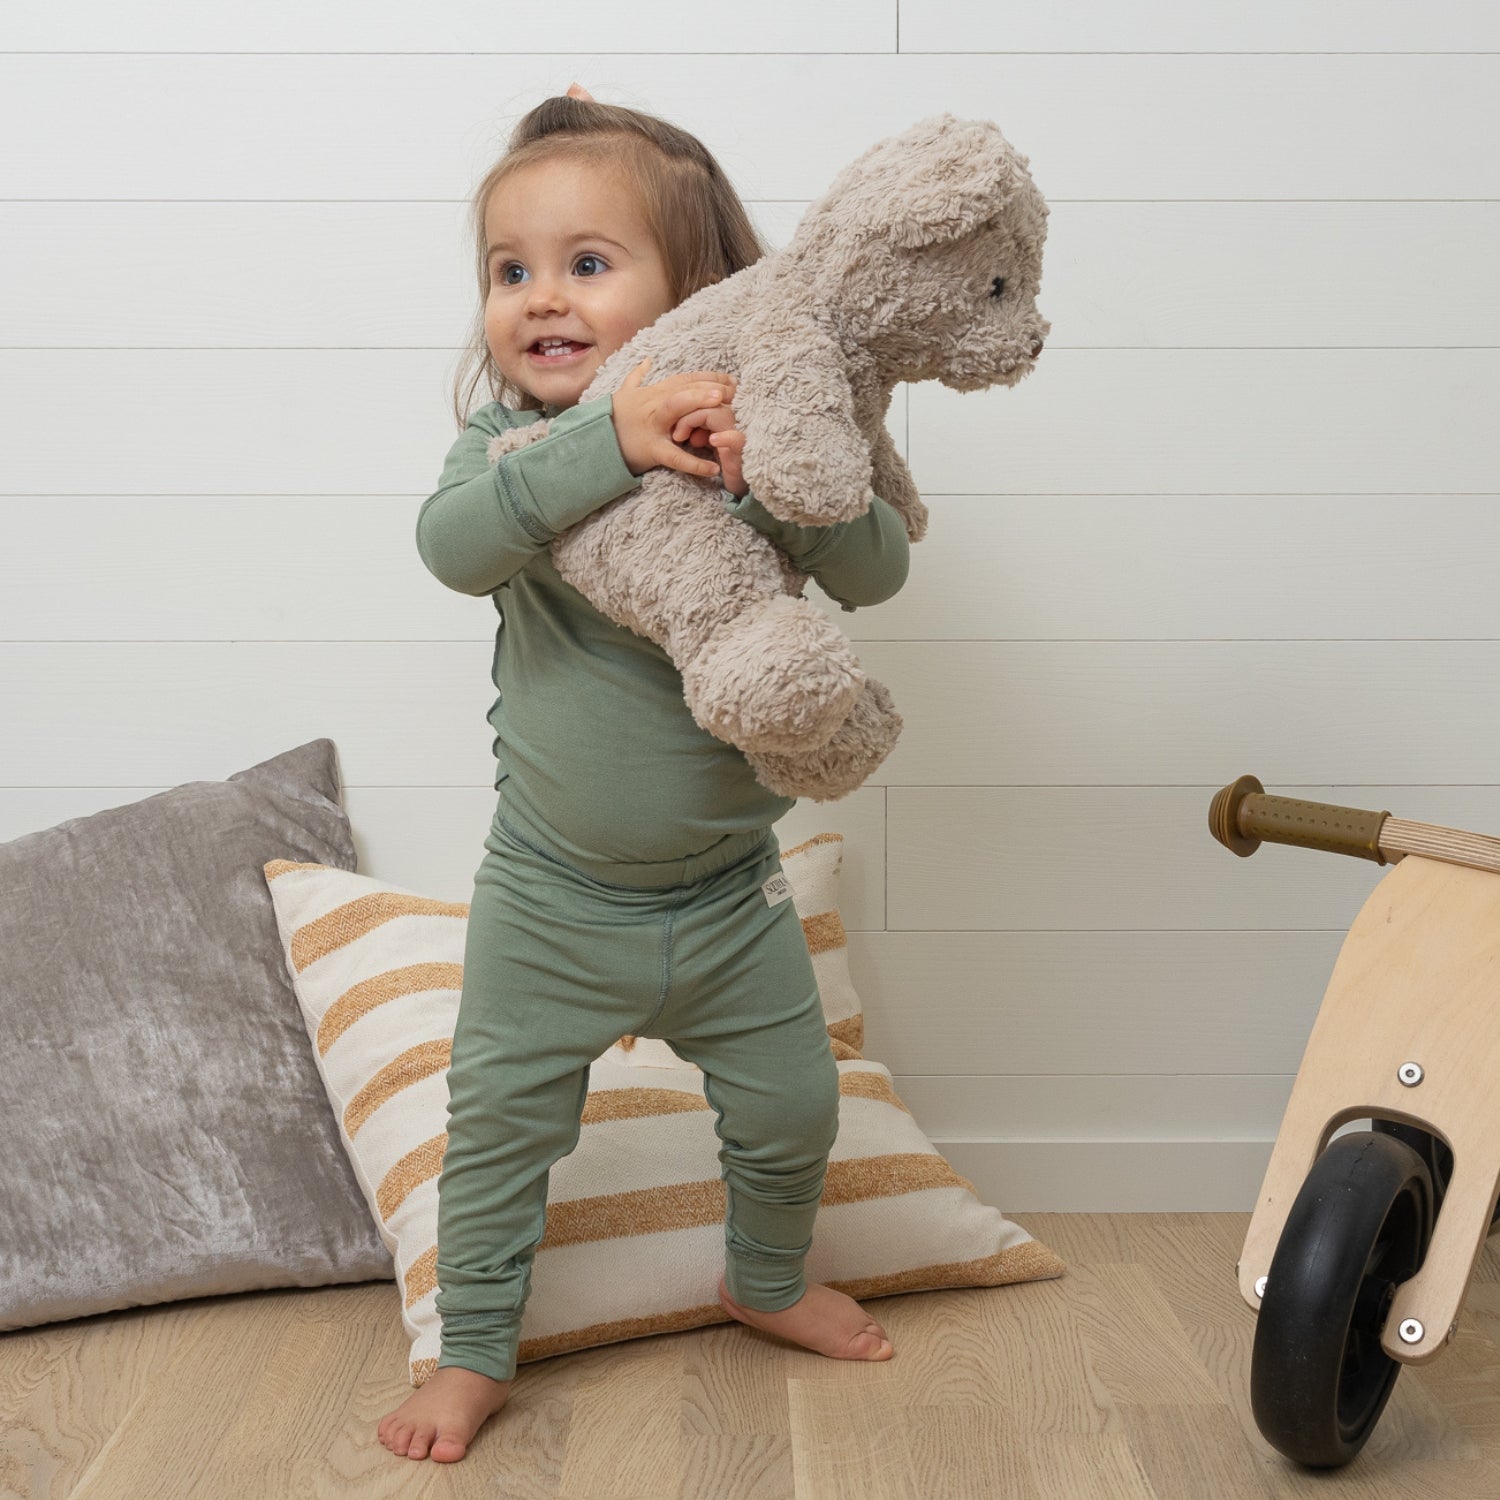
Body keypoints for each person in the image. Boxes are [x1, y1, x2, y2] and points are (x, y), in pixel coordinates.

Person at [379, 83, 911, 1464]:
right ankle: (474, 1348)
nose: (539, 298)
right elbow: (451, 544)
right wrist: (604, 441)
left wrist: (788, 482)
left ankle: (767, 1277)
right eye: (511, 271)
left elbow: (875, 572)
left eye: (587, 264)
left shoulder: (750, 437)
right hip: (553, 901)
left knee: (797, 1105)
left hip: (731, 898)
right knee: (498, 1133)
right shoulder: (511, 455)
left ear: (701, 296)